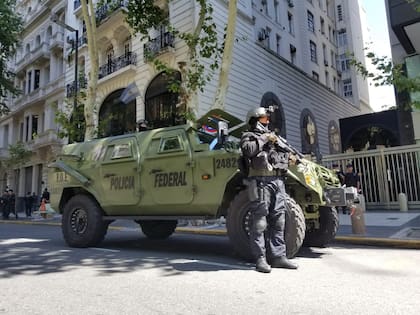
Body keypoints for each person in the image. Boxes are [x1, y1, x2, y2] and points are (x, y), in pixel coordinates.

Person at [240, 107, 298, 273]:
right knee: (259, 222)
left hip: (277, 181)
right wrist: (265, 138)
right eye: (264, 119)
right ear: (255, 120)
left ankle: (279, 256)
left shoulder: (274, 139)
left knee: (279, 220)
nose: (268, 122)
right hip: (259, 182)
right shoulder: (248, 136)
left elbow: (278, 157)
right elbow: (248, 150)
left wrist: (290, 158)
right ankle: (260, 258)